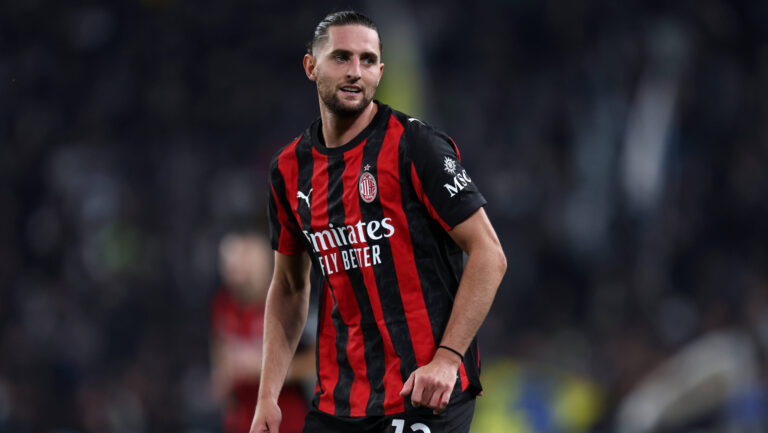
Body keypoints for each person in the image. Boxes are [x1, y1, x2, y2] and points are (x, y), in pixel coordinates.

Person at [252, 10, 507, 433]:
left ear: (381, 72)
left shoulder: (417, 147)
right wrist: (267, 396)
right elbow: (290, 286)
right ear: (311, 67)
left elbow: (489, 254)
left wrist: (446, 358)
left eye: (368, 60)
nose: (356, 72)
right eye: (341, 58)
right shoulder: (288, 170)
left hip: (424, 396)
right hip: (339, 404)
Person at [211, 231, 315, 433]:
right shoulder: (223, 305)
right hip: (242, 420)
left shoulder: (288, 305)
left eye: (246, 264)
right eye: (233, 266)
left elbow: (317, 361)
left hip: (288, 420)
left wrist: (269, 370)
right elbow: (219, 350)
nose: (239, 274)